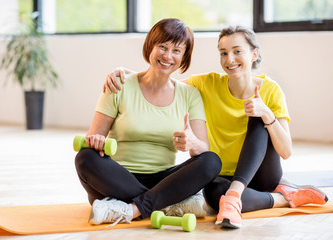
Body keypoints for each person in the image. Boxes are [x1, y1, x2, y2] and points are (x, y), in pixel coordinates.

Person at [103, 25, 328, 229]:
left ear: (254, 54)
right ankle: (282, 198)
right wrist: (125, 73)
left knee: (258, 116)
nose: (230, 59)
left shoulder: (270, 90)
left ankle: (235, 196)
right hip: (222, 177)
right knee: (214, 196)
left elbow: (286, 152)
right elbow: (163, 78)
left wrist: (267, 114)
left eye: (237, 51)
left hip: (261, 176)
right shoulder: (206, 84)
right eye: (223, 53)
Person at [75, 18, 222, 226]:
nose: (167, 56)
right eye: (162, 47)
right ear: (150, 46)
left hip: (163, 179)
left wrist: (192, 143)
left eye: (176, 50)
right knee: (85, 157)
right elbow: (93, 136)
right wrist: (96, 141)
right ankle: (169, 204)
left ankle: (129, 209)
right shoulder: (120, 84)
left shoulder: (190, 95)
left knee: (211, 161)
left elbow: (203, 149)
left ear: (184, 57)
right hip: (117, 178)